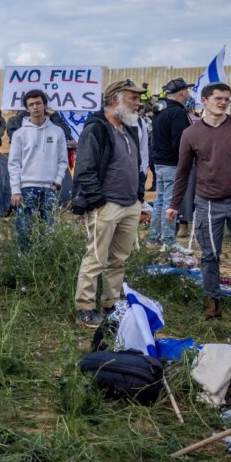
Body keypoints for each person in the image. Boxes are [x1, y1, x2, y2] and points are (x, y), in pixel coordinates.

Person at [166, 82, 231, 321]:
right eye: (218, 98)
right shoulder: (191, 134)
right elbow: (183, 171)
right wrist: (174, 205)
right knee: (209, 255)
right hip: (208, 202)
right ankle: (213, 304)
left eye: (227, 99)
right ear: (205, 100)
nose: (223, 103)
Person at [71, 81, 145, 328]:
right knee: (95, 258)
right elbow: (84, 169)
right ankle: (85, 306)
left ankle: (111, 303)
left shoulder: (129, 128)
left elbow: (137, 164)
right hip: (106, 206)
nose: (138, 103)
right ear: (115, 99)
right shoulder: (96, 129)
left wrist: (139, 195)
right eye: (133, 98)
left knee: (118, 259)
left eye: (137, 98)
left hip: (129, 204)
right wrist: (97, 201)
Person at [8, 90, 68, 253]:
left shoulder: (57, 132)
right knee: (24, 229)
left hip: (49, 187)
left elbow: (63, 160)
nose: (35, 107)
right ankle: (25, 262)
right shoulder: (20, 134)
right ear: (27, 109)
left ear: (45, 106)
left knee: (48, 230)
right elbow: (13, 163)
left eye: (38, 103)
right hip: (26, 188)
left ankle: (45, 264)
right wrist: (15, 189)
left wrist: (58, 181)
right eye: (31, 105)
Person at [148, 78, 192, 247]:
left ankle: (154, 238)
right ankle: (168, 239)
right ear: (181, 92)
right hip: (172, 163)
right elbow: (180, 142)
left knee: (160, 201)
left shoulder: (161, 109)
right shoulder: (177, 113)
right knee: (170, 202)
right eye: (186, 90)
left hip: (159, 161)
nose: (188, 93)